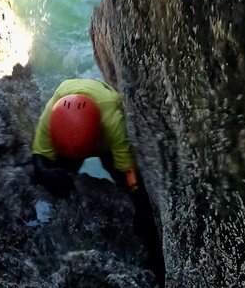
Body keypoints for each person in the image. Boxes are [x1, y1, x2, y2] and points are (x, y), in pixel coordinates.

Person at [31, 78, 164, 283]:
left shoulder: (113, 122)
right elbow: (39, 156)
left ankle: (157, 259)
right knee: (56, 178)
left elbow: (127, 169)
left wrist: (138, 197)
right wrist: (46, 173)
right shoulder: (52, 115)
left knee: (131, 192)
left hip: (103, 129)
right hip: (69, 136)